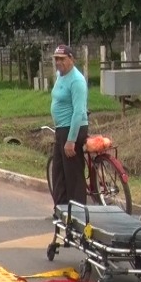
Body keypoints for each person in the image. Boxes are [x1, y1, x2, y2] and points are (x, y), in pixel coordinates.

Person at [49, 44, 89, 206]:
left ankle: (77, 213)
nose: (58, 62)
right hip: (61, 130)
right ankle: (61, 210)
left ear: (71, 59)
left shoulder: (77, 80)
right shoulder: (60, 76)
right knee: (58, 172)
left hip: (73, 129)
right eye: (56, 59)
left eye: (62, 59)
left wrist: (71, 140)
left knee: (73, 175)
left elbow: (79, 111)